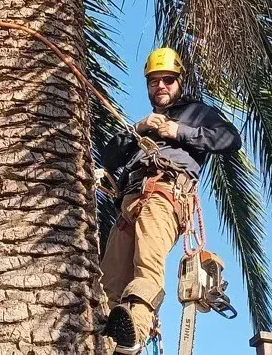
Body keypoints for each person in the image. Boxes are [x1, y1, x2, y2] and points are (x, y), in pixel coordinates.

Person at [100, 47, 241, 354]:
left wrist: (180, 131)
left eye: (167, 80)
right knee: (108, 280)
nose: (161, 86)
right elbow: (109, 157)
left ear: (180, 82)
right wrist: (138, 128)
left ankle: (135, 330)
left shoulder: (197, 113)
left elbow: (230, 138)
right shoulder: (147, 123)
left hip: (165, 193)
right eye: (154, 81)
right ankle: (111, 342)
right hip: (130, 203)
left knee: (146, 263)